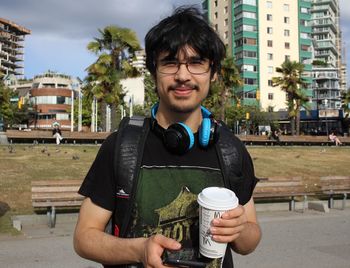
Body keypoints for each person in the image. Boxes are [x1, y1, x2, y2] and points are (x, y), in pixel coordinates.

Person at [74, 7, 261, 268]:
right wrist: (139, 250)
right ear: (154, 72)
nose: (183, 75)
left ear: (213, 73)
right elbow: (84, 237)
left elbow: (250, 240)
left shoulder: (230, 150)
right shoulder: (122, 146)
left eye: (196, 63)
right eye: (170, 62)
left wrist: (239, 228)